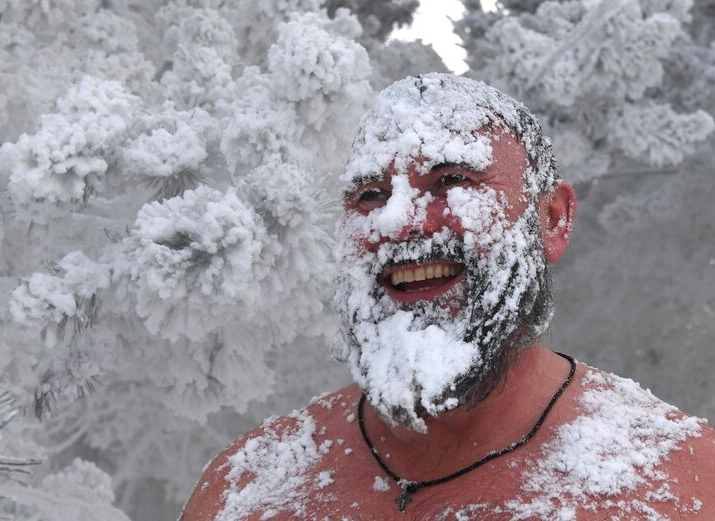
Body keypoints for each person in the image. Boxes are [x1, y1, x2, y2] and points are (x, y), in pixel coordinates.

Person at [181, 74, 715, 520]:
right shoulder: (248, 487)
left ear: (551, 219)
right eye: (370, 195)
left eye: (451, 180)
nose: (398, 220)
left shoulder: (680, 483)